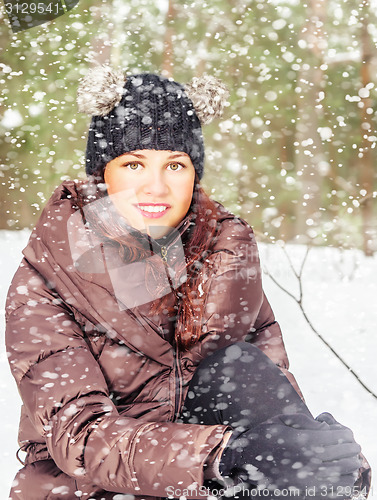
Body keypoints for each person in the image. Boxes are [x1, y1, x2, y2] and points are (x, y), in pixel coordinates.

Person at [5, 66, 370, 500]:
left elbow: (271, 393)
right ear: (103, 173)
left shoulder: (225, 259)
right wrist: (222, 457)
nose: (156, 186)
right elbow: (80, 437)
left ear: (194, 173)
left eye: (175, 165)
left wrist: (319, 457)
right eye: (134, 163)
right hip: (87, 486)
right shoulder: (46, 277)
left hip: (211, 484)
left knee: (241, 367)